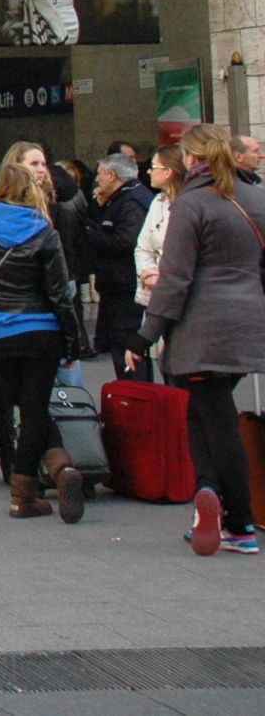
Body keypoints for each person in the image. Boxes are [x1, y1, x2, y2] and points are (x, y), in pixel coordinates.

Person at [123, 125, 265, 555]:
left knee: (215, 420)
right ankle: (210, 496)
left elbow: (176, 278)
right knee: (203, 413)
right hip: (247, 323)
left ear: (190, 159)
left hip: (202, 330)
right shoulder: (256, 198)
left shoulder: (191, 204)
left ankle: (235, 518)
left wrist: (145, 334)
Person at [0, 161, 81, 522]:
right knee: (36, 407)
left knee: (11, 400)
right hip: (42, 330)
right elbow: (59, 293)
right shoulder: (44, 230)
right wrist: (74, 338)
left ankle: (35, 486)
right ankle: (40, 481)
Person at [86, 153, 153, 381]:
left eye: (100, 174)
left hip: (125, 287)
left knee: (127, 348)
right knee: (120, 344)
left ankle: (136, 403)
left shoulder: (132, 201)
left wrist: (91, 235)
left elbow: (127, 242)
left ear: (111, 175)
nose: (97, 180)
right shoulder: (120, 198)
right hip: (117, 284)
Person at [135, 144, 184, 324]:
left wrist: (163, 278)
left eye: (153, 167)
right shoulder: (157, 202)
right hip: (154, 296)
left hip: (181, 298)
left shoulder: (191, 204)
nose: (148, 171)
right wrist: (147, 274)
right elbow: (142, 247)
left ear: (168, 172)